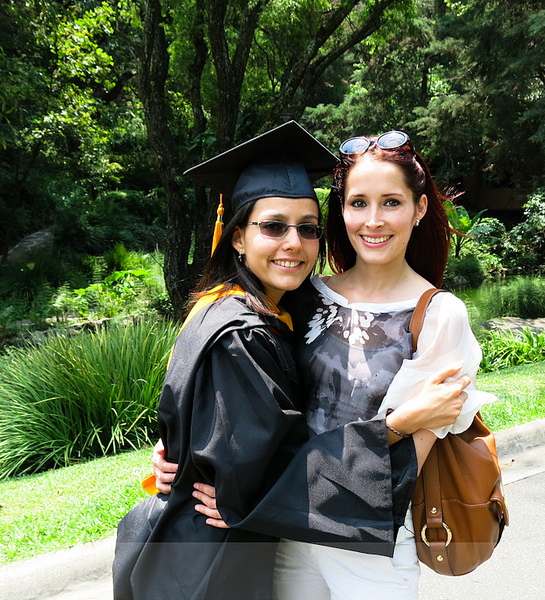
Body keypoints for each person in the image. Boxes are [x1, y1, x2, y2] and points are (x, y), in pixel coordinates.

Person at [113, 122, 469, 600]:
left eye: (306, 229)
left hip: (362, 539)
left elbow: (257, 449)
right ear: (237, 237)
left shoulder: (428, 313)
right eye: (358, 203)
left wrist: (235, 487)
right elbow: (247, 458)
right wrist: (182, 458)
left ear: (419, 207)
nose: (293, 243)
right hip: (272, 539)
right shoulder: (285, 309)